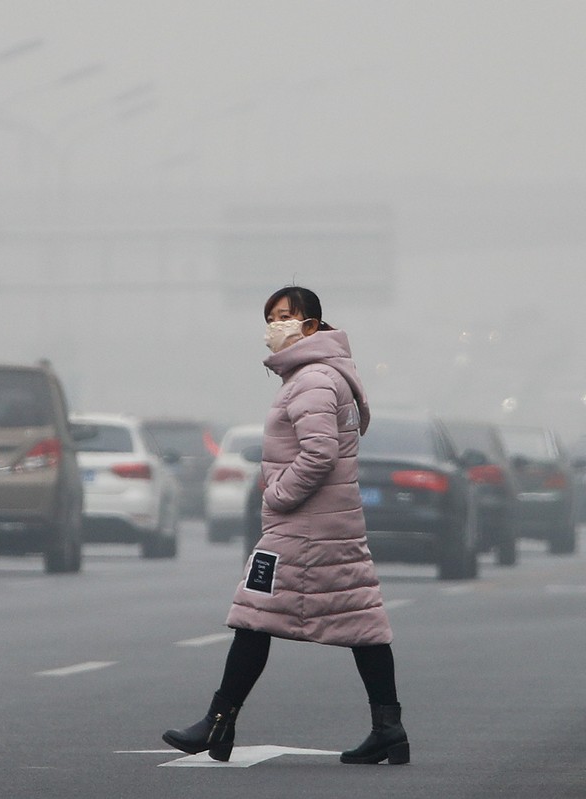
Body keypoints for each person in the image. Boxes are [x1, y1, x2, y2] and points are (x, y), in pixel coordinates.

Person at [162, 285, 409, 766]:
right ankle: (388, 729)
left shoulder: (313, 379)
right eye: (271, 317)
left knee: (254, 616)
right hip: (324, 525)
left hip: (302, 528)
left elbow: (319, 453)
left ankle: (217, 723)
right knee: (358, 617)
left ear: (311, 326)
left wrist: (278, 494)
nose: (275, 326)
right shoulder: (317, 375)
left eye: (285, 317)